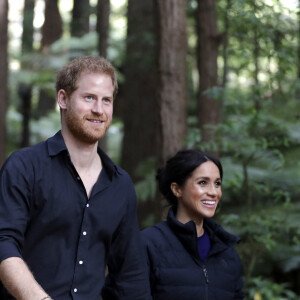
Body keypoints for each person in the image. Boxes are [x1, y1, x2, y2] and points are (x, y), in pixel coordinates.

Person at [0, 56, 151, 300]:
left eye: (106, 100)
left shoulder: (120, 185)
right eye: (89, 97)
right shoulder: (24, 167)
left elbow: (130, 276)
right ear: (63, 99)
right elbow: (3, 243)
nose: (98, 110)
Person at [141, 149, 244, 300]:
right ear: (177, 189)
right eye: (203, 182)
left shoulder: (228, 253)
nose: (214, 192)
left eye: (217, 183)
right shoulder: (147, 244)